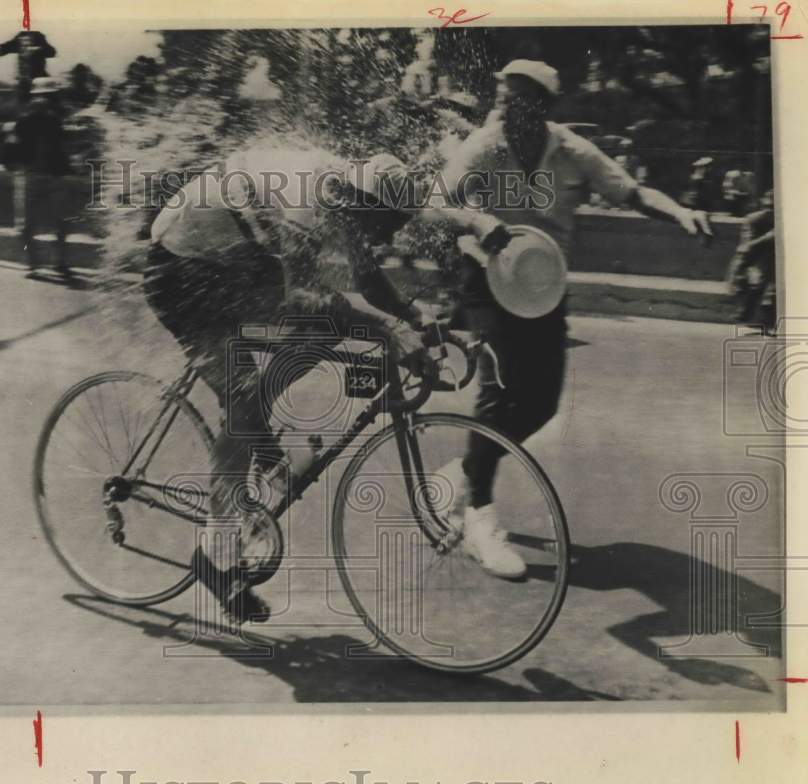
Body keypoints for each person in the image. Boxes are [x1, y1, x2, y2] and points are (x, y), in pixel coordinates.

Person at [144, 146, 511, 622]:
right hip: (180, 271)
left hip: (230, 260)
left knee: (329, 330)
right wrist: (388, 329)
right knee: (243, 393)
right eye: (388, 224)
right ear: (363, 204)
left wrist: (417, 318)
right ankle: (215, 554)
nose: (393, 234)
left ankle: (258, 438)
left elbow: (368, 281)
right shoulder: (305, 203)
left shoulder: (350, 196)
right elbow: (302, 295)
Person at [441, 59, 712, 579]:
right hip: (486, 276)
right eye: (500, 93)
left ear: (541, 106)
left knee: (541, 403)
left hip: (543, 285)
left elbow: (630, 193)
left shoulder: (571, 150)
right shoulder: (484, 144)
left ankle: (463, 473)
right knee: (500, 388)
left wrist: (679, 211)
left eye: (515, 96)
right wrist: (480, 219)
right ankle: (479, 515)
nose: (501, 103)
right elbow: (438, 196)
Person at [14, 77, 73, 277]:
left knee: (61, 222)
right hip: (30, 175)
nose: (45, 100)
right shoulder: (26, 118)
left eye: (48, 97)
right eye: (42, 97)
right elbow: (17, 138)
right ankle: (33, 263)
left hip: (53, 176)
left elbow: (62, 141)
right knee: (25, 225)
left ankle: (60, 262)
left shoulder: (56, 119)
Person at [728, 189, 775, 331]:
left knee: (763, 285)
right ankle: (755, 316)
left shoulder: (752, 218)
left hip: (766, 254)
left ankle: (750, 315)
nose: (769, 212)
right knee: (760, 284)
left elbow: (747, 242)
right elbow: (747, 243)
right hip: (763, 254)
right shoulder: (754, 219)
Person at [0, 30, 57, 103]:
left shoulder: (38, 37)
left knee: (48, 99)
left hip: (38, 76)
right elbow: (8, 47)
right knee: (23, 100)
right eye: (23, 43)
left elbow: (52, 52)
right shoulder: (21, 36)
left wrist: (38, 49)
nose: (25, 46)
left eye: (28, 42)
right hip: (24, 79)